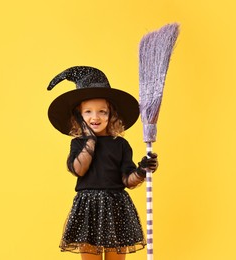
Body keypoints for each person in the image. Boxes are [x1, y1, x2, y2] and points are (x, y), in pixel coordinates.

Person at [47, 66, 158, 260]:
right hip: (88, 208)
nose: (95, 117)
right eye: (88, 112)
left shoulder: (120, 144)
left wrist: (142, 169)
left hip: (117, 207)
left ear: (111, 114)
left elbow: (127, 180)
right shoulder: (78, 143)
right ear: (79, 116)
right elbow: (79, 170)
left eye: (102, 112)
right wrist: (90, 139)